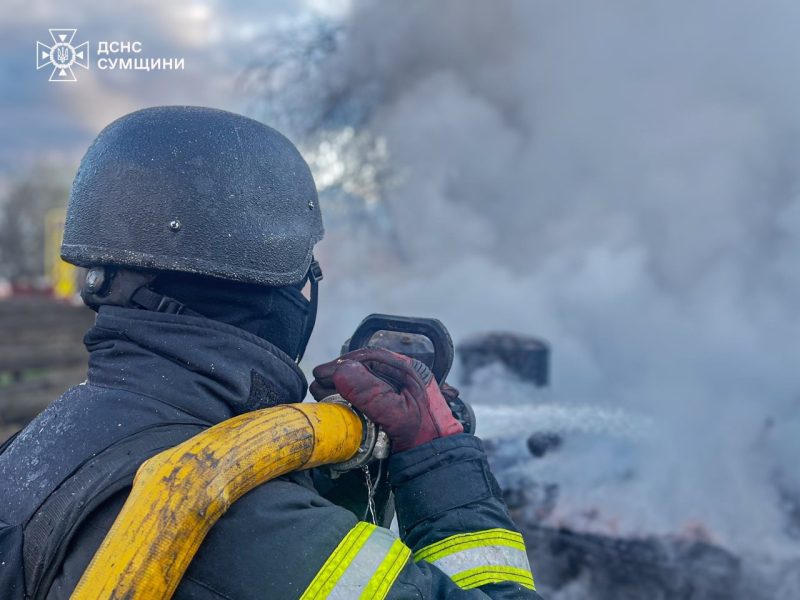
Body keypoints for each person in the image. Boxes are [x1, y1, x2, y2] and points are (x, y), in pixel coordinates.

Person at [0, 106, 542, 599]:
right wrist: (439, 463)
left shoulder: (45, 443)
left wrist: (334, 470)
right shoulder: (226, 514)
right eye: (308, 272)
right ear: (276, 287)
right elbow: (266, 554)